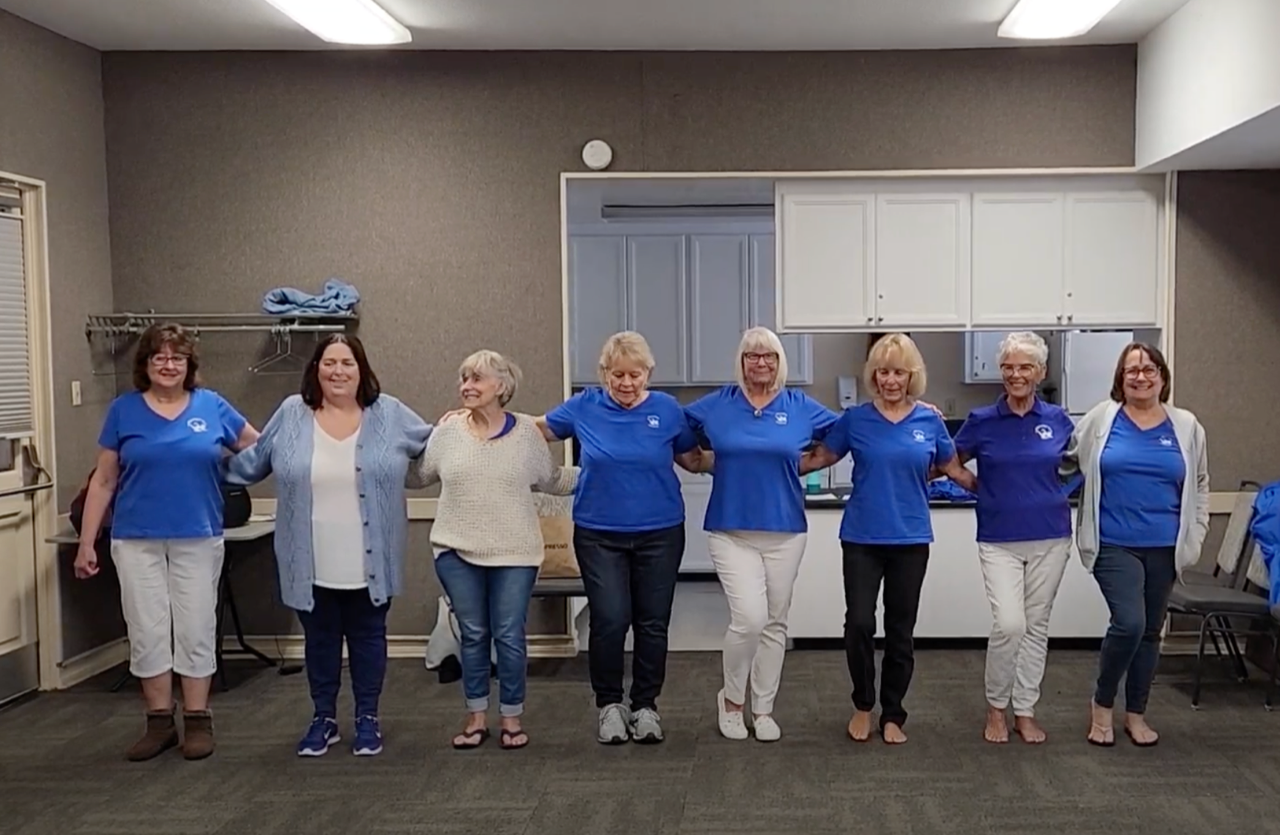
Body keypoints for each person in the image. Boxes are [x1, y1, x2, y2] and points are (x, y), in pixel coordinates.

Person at [225, 334, 431, 758]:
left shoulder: (389, 413)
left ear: (361, 369)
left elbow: (436, 447)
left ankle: (368, 717)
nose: (338, 371)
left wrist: (469, 428)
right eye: (329, 363)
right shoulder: (292, 413)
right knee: (319, 641)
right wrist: (196, 462)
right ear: (316, 369)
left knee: (369, 638)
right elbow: (254, 461)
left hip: (371, 557)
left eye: (347, 363)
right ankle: (324, 719)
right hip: (309, 556)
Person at [73, 323, 259, 761]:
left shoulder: (212, 406)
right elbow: (103, 480)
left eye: (178, 358)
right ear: (146, 364)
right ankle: (159, 723)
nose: (169, 365)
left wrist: (232, 475)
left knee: (196, 627)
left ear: (189, 365)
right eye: (160, 357)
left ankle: (197, 720)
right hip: (135, 539)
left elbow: (261, 450)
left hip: (198, 535)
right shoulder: (124, 411)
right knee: (147, 629)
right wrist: (86, 543)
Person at [801, 332, 974, 745]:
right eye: (882, 372)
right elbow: (819, 457)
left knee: (900, 630)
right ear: (873, 376)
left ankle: (893, 714)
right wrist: (760, 466)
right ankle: (863, 704)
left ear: (911, 375)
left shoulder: (929, 421)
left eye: (898, 372)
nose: (890, 380)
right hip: (862, 537)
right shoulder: (856, 420)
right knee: (860, 622)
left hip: (910, 539)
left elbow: (954, 469)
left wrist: (1003, 493)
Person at [410, 350, 577, 750]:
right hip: (455, 550)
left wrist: (611, 470)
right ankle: (476, 717)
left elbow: (552, 480)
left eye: (476, 379)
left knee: (509, 635)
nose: (466, 386)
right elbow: (418, 476)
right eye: (464, 378)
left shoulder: (526, 435)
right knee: (472, 634)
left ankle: (511, 718)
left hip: (516, 552)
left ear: (501, 386)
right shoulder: (447, 432)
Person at [542, 332, 703, 745]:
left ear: (648, 373)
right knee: (610, 620)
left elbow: (692, 459)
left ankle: (646, 705)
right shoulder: (584, 406)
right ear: (604, 374)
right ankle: (610, 705)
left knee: (653, 622)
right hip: (599, 534)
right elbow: (537, 429)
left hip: (660, 533)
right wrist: (477, 420)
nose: (627, 383)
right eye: (618, 375)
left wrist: (752, 460)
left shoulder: (667, 410)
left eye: (635, 374)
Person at [684, 327, 839, 743]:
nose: (761, 363)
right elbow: (672, 427)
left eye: (769, 355)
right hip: (731, 530)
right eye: (752, 355)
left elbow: (851, 430)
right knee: (749, 619)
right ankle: (732, 701)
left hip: (785, 532)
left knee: (774, 623)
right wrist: (699, 462)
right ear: (741, 362)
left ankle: (764, 708)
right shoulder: (719, 404)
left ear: (780, 361)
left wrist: (809, 463)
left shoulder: (799, 406)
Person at [1065, 342, 1208, 748]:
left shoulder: (1186, 426)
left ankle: (1136, 713)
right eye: (1132, 370)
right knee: (1130, 623)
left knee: (1150, 632)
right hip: (1114, 542)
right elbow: (1066, 461)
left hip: (1165, 545)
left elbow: (1200, 482)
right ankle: (1102, 704)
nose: (1141, 377)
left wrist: (1196, 534)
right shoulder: (1101, 419)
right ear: (1120, 378)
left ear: (1162, 377)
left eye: (1149, 370)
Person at [953, 331, 1076, 745]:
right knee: (1009, 624)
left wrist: (1060, 492)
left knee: (1036, 627)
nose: (1015, 374)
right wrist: (977, 486)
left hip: (1051, 536)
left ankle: (1025, 711)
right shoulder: (982, 420)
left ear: (1040, 371)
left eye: (1025, 367)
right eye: (1008, 367)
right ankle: (996, 708)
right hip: (998, 538)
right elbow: (948, 461)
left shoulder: (1058, 420)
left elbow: (1079, 464)